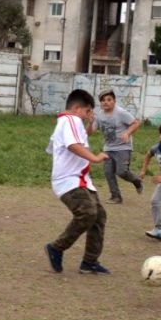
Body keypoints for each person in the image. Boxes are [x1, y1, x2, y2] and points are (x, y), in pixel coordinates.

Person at [44, 89, 111, 275]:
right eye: (87, 111)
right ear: (76, 108)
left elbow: (72, 141)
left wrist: (88, 127)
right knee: (88, 213)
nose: (89, 114)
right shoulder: (71, 119)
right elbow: (73, 145)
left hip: (79, 179)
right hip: (69, 180)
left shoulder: (66, 122)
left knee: (98, 216)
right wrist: (95, 158)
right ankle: (56, 247)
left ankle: (89, 262)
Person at [92, 89, 143, 204]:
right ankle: (116, 196)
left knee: (122, 172)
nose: (106, 102)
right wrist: (90, 123)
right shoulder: (99, 115)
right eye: (103, 100)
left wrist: (127, 133)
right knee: (108, 172)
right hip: (108, 148)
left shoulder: (120, 112)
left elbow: (135, 123)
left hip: (123, 148)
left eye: (109, 99)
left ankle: (137, 181)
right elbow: (91, 131)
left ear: (114, 101)